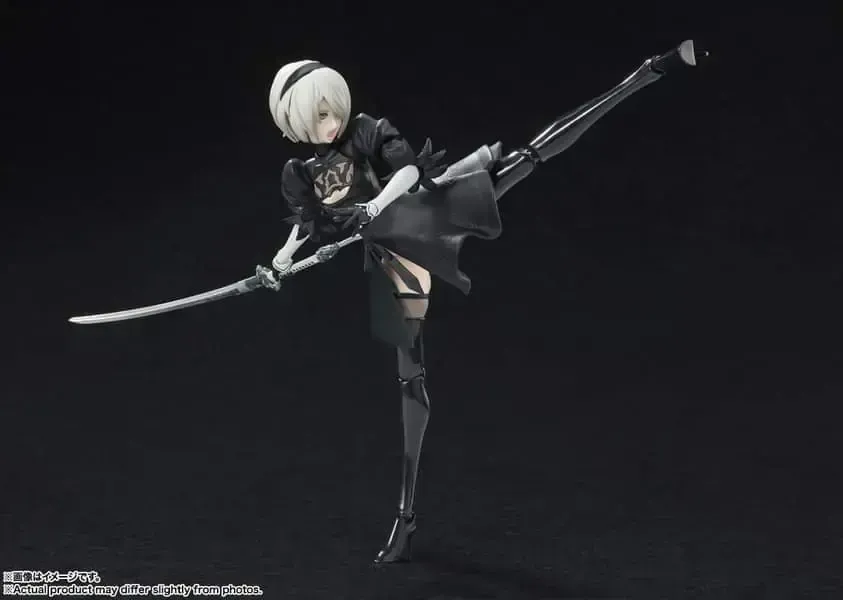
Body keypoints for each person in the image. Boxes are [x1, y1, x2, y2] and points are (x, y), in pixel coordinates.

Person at [266, 39, 704, 564]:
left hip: (422, 213)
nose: (330, 121)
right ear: (293, 123)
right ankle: (406, 515)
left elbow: (407, 172)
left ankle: (646, 73)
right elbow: (306, 227)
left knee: (525, 160)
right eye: (316, 116)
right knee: (410, 380)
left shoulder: (364, 130)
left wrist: (374, 207)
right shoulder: (299, 172)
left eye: (330, 108)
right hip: (394, 257)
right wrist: (280, 263)